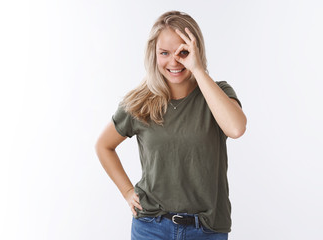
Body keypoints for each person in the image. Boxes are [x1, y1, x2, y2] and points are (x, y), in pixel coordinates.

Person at [95, 10, 247, 240]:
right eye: (164, 53)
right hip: (151, 226)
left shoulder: (218, 94)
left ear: (196, 51)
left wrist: (197, 69)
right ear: (153, 54)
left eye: (183, 52)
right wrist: (127, 191)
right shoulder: (140, 102)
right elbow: (103, 146)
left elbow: (236, 129)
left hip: (206, 230)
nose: (174, 61)